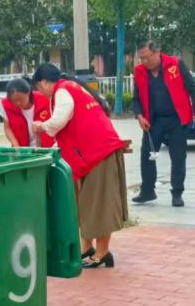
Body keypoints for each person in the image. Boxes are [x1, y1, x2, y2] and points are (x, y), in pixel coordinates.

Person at [30, 64, 128, 268]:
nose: (41, 92)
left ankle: (103, 252)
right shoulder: (71, 88)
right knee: (86, 203)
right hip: (91, 154)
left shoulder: (63, 90)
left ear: (44, 82)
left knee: (99, 203)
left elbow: (58, 122)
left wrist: (41, 126)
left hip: (99, 152)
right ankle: (87, 247)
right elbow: (69, 129)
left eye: (39, 88)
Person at [131, 41, 195, 207]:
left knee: (178, 157)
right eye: (141, 58)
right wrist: (139, 116)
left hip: (176, 119)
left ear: (157, 52)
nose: (144, 62)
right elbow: (136, 99)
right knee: (147, 156)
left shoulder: (175, 64)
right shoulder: (140, 72)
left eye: (147, 57)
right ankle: (147, 191)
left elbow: (193, 88)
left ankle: (177, 192)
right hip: (153, 120)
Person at [1, 77, 55, 149]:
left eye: (21, 99)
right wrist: (16, 147)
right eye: (14, 100)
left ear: (28, 93)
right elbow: (7, 128)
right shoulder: (6, 105)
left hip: (47, 148)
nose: (18, 103)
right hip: (23, 150)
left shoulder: (45, 99)